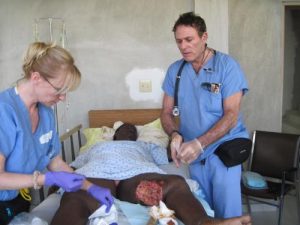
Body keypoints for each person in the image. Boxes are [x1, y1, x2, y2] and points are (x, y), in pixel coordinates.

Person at [0, 42, 113, 225]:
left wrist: (91, 187)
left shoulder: (45, 112)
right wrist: (44, 179)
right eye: (59, 90)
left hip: (19, 200)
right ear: (36, 78)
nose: (63, 98)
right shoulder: (4, 111)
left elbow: (55, 162)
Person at [51, 123, 251, 225]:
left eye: (132, 131)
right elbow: (73, 168)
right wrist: (59, 183)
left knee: (174, 182)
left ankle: (203, 223)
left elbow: (169, 158)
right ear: (114, 134)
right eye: (124, 129)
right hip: (97, 174)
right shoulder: (96, 146)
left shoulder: (145, 145)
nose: (129, 131)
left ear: (137, 136)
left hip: (136, 175)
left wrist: (177, 142)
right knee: (78, 193)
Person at [160, 12, 250, 219]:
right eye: (179, 41)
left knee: (228, 216)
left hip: (223, 151)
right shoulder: (176, 71)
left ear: (204, 37)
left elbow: (231, 115)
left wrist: (200, 143)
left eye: (189, 39)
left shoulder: (227, 67)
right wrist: (174, 134)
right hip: (194, 156)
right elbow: (165, 112)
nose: (183, 46)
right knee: (203, 213)